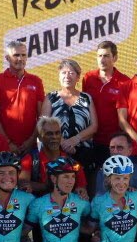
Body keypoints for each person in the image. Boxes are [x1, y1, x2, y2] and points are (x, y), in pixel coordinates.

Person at [41, 59, 98, 188]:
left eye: (71, 73)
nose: (67, 76)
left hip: (83, 154)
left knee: (82, 188)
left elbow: (94, 126)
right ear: (59, 76)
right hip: (57, 153)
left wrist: (75, 140)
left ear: (78, 77)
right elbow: (43, 125)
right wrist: (63, 143)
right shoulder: (51, 97)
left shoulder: (86, 98)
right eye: (64, 72)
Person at [82, 41, 131, 187]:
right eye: (99, 56)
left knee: (112, 180)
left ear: (115, 58)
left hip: (112, 143)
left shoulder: (124, 82)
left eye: (106, 56)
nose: (102, 60)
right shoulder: (88, 78)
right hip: (90, 139)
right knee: (91, 178)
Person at [0, 41, 45, 155]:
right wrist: (8, 142)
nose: (20, 58)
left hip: (30, 147)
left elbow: (41, 115)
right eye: (16, 55)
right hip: (3, 145)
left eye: (23, 55)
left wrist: (31, 140)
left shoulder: (36, 81)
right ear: (7, 58)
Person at [20, 116, 89, 198]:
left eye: (57, 133)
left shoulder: (72, 163)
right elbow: (23, 185)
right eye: (49, 134)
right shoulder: (30, 159)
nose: (54, 137)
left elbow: (81, 189)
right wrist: (48, 186)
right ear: (40, 137)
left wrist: (81, 192)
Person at [93, 132, 137, 197]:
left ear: (130, 150)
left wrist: (134, 196)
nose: (115, 151)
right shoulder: (103, 172)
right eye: (112, 148)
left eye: (119, 147)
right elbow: (100, 200)